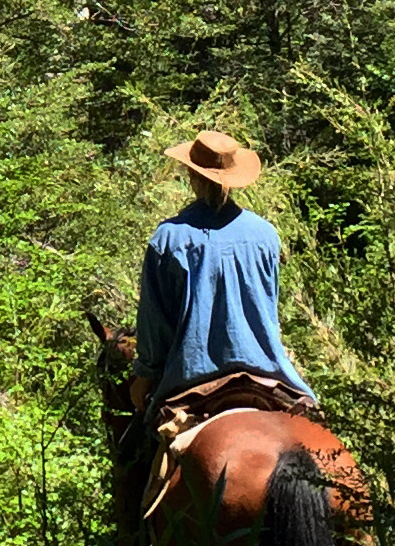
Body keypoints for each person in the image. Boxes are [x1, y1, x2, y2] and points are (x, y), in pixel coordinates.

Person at [133, 128, 312, 412]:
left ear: (192, 177)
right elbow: (270, 307)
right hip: (266, 370)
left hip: (192, 375)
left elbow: (154, 324)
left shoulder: (168, 238)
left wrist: (146, 373)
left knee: (147, 434)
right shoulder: (265, 235)